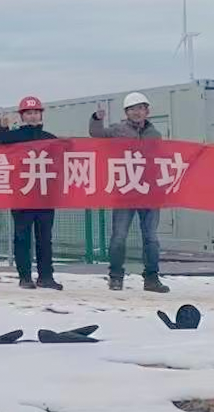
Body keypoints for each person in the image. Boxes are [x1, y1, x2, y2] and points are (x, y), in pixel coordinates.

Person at [91, 92, 169, 293]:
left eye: (141, 108)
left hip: (149, 193)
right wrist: (96, 119)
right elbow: (96, 134)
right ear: (126, 112)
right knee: (119, 236)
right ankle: (116, 277)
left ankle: (151, 279)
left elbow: (161, 161)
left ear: (147, 111)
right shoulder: (118, 130)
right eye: (132, 109)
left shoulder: (155, 135)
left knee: (151, 238)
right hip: (125, 191)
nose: (137, 112)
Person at [0, 97, 63, 291]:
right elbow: (0, 140)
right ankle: (24, 277)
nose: (33, 116)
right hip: (22, 195)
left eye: (36, 113)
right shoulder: (14, 137)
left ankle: (46, 276)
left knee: (45, 239)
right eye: (29, 113)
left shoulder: (50, 138)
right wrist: (2, 126)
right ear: (22, 116)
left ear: (41, 115)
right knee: (22, 238)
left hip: (44, 196)